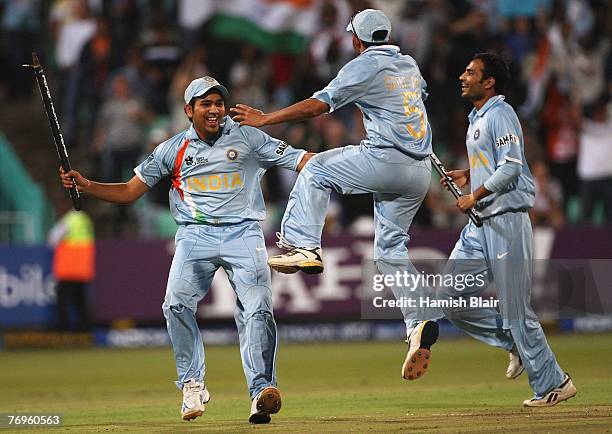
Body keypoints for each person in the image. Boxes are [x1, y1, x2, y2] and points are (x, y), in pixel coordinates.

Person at [59, 76, 314, 423]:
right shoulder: (172, 148)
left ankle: (261, 392)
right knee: (175, 303)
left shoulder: (250, 137)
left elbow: (302, 161)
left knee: (258, 310)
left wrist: (347, 164)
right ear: (188, 110)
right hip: (195, 236)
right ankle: (192, 384)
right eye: (205, 104)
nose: (215, 110)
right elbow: (130, 191)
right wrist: (88, 185)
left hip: (244, 234)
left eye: (219, 103)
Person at [231, 9, 442, 381]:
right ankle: (420, 320)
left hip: (387, 159)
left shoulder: (363, 65)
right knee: (389, 250)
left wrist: (266, 119)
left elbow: (319, 105)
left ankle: (303, 245)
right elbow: (417, 104)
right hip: (419, 170)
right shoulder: (408, 64)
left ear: (356, 40)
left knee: (315, 168)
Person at [438, 52, 576, 407]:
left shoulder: (501, 114)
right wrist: (468, 174)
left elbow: (512, 167)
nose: (462, 76)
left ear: (489, 82)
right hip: (478, 226)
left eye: (470, 72)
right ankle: (514, 343)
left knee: (516, 311)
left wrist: (475, 194)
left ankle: (553, 383)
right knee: (448, 299)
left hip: (506, 221)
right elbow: (493, 162)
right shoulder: (478, 117)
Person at [47, 203, 95, 331]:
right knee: (81, 303)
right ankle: (85, 332)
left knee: (63, 302)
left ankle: (62, 331)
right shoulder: (86, 220)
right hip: (82, 269)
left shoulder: (69, 220)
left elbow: (52, 239)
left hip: (68, 269)